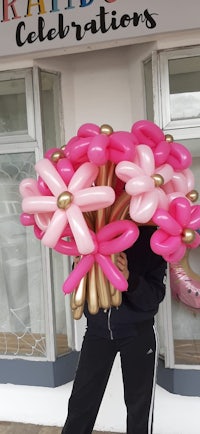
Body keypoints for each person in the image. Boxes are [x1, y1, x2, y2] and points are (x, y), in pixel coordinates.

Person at [61, 225, 167, 434]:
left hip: (138, 333)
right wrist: (79, 267)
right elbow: (80, 285)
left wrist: (129, 278)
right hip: (97, 332)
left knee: (139, 409)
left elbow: (155, 297)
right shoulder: (93, 228)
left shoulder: (152, 238)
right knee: (81, 404)